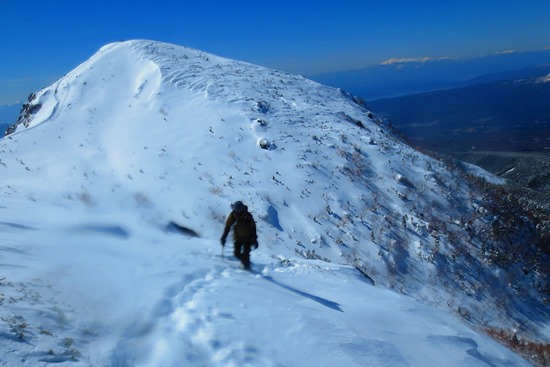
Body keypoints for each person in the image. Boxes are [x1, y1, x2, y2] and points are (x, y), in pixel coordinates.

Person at [220, 201, 258, 269]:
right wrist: (223, 237)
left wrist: (254, 239)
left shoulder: (248, 216)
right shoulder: (233, 215)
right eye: (235, 210)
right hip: (238, 238)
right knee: (236, 254)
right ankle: (246, 263)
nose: (236, 212)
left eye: (237, 211)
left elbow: (253, 227)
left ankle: (247, 267)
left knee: (246, 253)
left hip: (248, 238)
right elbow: (228, 227)